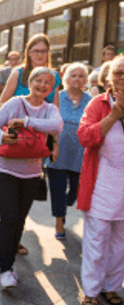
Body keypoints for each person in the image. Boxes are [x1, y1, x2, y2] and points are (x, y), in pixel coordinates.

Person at [0, 67, 63, 287]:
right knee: (9, 217)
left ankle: (9, 257)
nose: (43, 85)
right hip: (4, 169)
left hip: (31, 172)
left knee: (20, 218)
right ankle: (6, 269)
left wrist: (26, 123)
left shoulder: (49, 109)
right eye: (38, 80)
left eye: (48, 83)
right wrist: (2, 136)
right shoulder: (15, 103)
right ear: (30, 82)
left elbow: (57, 126)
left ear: (51, 88)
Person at [0, 33, 61, 256]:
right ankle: (10, 237)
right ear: (28, 52)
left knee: (25, 195)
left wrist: (55, 144)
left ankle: (16, 238)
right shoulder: (19, 73)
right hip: (16, 138)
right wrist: (17, 111)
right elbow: (1, 102)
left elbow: (55, 111)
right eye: (36, 51)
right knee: (12, 196)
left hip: (37, 141)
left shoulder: (54, 76)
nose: (40, 55)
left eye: (44, 51)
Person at [77, 56, 124, 305]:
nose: (122, 78)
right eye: (118, 73)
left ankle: (111, 286)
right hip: (102, 185)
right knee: (97, 240)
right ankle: (91, 290)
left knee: (120, 244)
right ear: (109, 77)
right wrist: (114, 115)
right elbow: (84, 136)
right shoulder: (99, 103)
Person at [47, 63, 91, 240]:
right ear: (66, 78)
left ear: (85, 80)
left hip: (80, 154)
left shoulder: (91, 99)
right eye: (74, 75)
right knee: (57, 189)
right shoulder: (57, 97)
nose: (77, 79)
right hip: (58, 151)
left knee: (76, 190)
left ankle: (63, 206)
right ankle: (59, 222)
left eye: (81, 76)